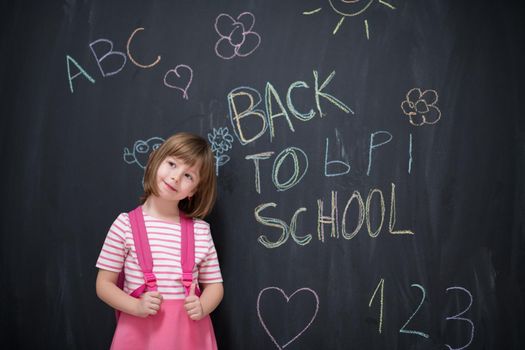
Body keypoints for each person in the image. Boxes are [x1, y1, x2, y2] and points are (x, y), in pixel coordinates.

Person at [96, 132, 223, 349]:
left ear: (194, 190)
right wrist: (136, 306)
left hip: (189, 337)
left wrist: (202, 306)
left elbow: (215, 287)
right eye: (172, 164)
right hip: (138, 335)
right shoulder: (124, 225)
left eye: (188, 176)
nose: (175, 177)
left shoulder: (201, 232)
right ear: (155, 161)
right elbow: (104, 285)